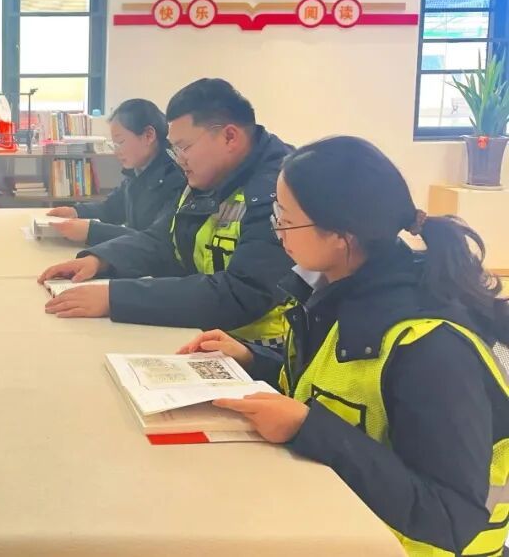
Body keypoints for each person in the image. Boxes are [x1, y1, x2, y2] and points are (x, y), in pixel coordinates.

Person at [179, 136, 509, 556]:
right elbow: (334, 386)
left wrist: (307, 429)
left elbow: (449, 516)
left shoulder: (430, 347)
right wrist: (252, 359)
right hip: (339, 523)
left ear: (341, 235)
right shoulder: (339, 291)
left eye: (285, 219)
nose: (277, 231)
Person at [38, 78, 294, 347]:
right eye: (175, 149)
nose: (179, 159)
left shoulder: (280, 189)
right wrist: (101, 260)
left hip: (263, 351)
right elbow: (163, 239)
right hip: (210, 333)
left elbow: (241, 293)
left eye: (185, 147)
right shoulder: (209, 175)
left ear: (230, 136)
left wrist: (115, 298)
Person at [44, 98, 185, 245]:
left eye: (120, 142)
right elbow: (111, 208)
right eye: (114, 145)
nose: (116, 152)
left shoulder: (176, 178)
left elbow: (155, 240)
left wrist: (91, 232)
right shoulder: (139, 170)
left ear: (148, 136)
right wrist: (75, 211)